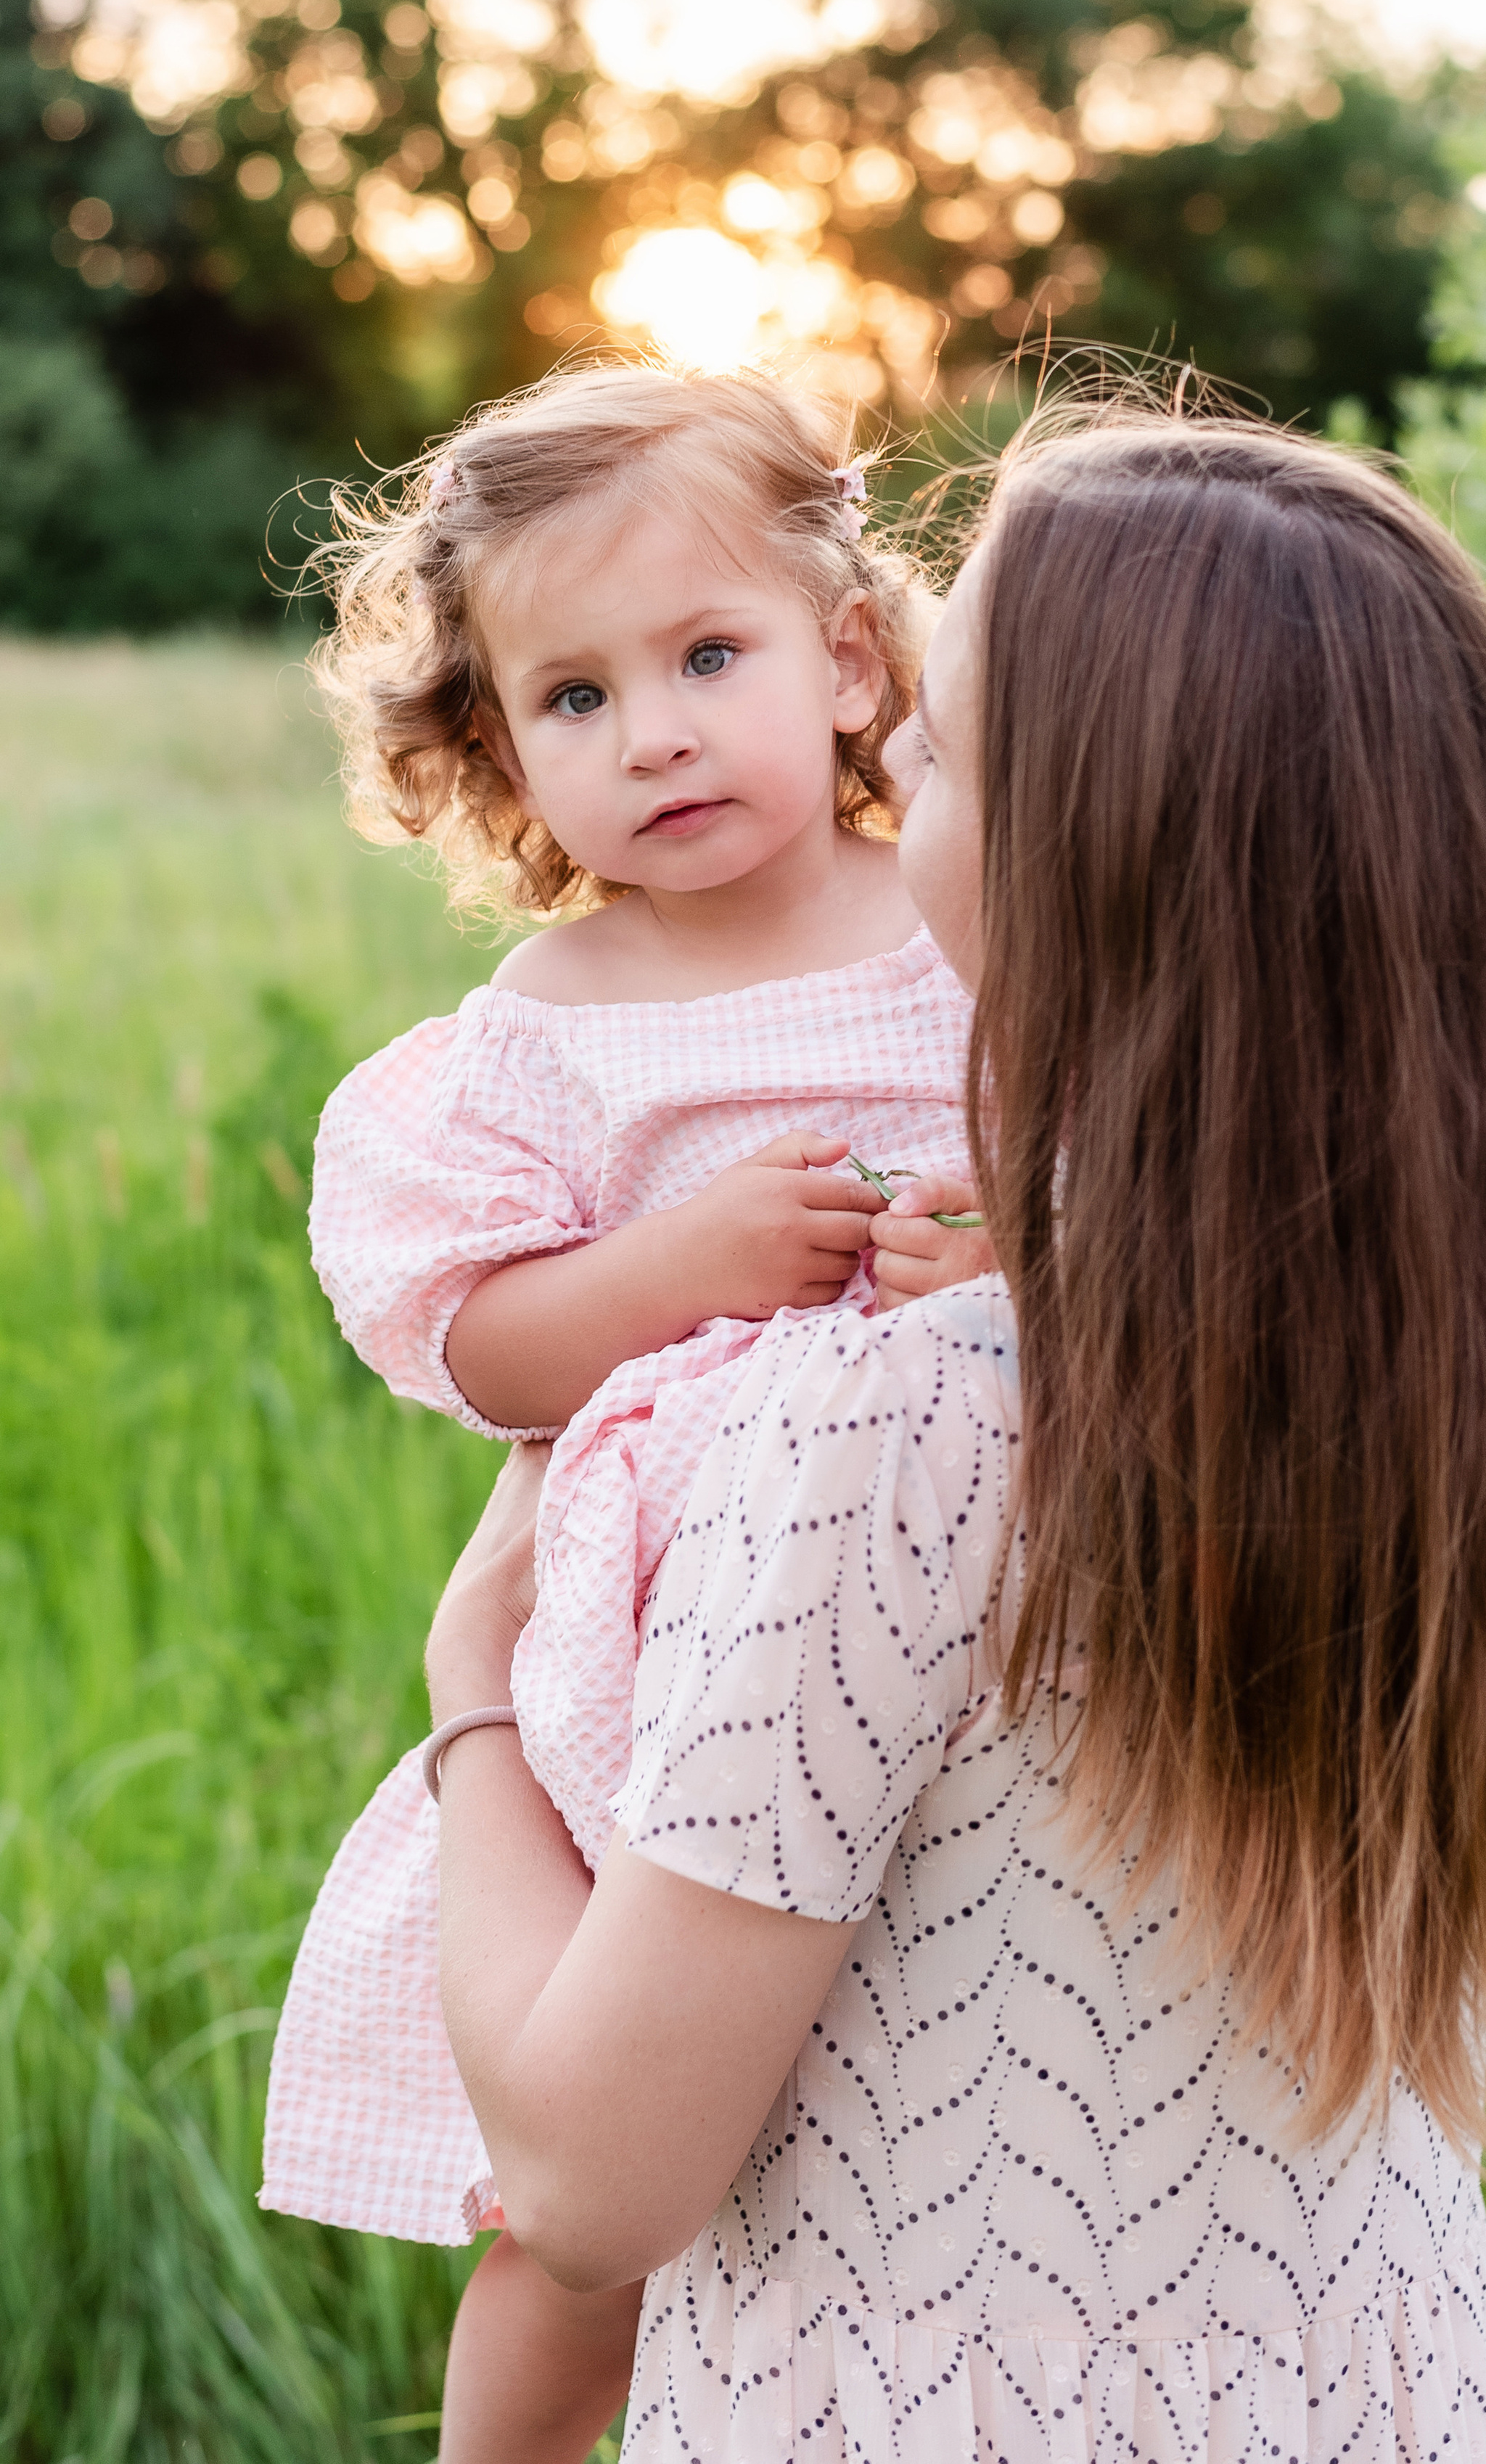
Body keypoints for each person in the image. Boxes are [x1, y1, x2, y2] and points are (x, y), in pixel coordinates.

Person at [422, 407, 1486, 2463]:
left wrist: (468, 1693)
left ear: (1095, 844)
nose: (892, 764)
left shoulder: (899, 1413)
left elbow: (582, 2186)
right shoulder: (1446, 1324)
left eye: (952, 737)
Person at [258, 365, 992, 2458]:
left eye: (705, 654)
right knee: (591, 2233)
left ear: (848, 659)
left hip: (956, 1603)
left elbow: (1090, 1220)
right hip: (654, 1668)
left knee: (866, 2118)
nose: (652, 729)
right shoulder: (552, 1029)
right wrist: (672, 1268)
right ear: (495, 752)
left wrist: (993, 1259)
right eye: (571, 698)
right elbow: (473, 1341)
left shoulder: (956, 936)